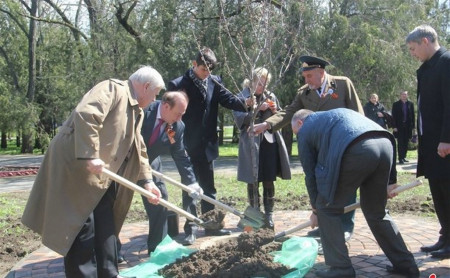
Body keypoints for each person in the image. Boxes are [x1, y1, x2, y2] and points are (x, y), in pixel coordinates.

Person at [21, 66, 165, 278]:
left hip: (101, 176)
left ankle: (109, 273)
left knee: (107, 227)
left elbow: (139, 148)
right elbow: (86, 114)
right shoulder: (112, 89)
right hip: (77, 170)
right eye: (155, 94)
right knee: (82, 228)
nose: (155, 100)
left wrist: (147, 181)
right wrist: (90, 155)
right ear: (145, 87)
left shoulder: (137, 111)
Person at [291, 108, 419, 278]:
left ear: (300, 122)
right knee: (376, 212)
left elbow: (310, 173)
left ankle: (341, 269)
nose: (298, 136)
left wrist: (316, 210)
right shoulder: (333, 116)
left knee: (327, 209)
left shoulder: (306, 128)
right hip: (385, 143)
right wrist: (390, 181)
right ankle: (406, 264)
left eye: (296, 133)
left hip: (357, 149)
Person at [252, 55, 364, 241]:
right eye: (305, 76)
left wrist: (359, 141)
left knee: (345, 187)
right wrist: (267, 125)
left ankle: (345, 227)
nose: (306, 80)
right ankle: (325, 226)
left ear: (322, 72)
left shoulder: (343, 85)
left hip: (342, 146)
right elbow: (289, 112)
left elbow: (358, 113)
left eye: (310, 76)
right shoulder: (304, 93)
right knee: (322, 187)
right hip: (320, 149)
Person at [167, 47, 252, 239]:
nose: (207, 74)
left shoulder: (215, 81)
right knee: (190, 188)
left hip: (207, 145)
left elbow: (227, 99)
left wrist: (245, 103)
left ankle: (211, 225)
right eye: (204, 69)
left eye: (210, 70)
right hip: (186, 145)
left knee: (208, 188)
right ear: (194, 64)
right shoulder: (178, 84)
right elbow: (169, 115)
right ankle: (191, 229)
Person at [406, 24, 450, 259]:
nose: (412, 53)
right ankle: (445, 236)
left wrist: (447, 139)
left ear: (425, 41)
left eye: (413, 48)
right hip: (430, 143)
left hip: (444, 144)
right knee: (438, 192)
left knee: (448, 191)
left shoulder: (446, 62)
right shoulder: (425, 69)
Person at [141, 91, 202, 248]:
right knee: (118, 207)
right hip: (125, 161)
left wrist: (192, 182)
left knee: (160, 201)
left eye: (182, 114)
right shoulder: (143, 111)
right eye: (178, 113)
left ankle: (156, 249)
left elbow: (180, 155)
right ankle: (114, 251)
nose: (179, 118)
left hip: (151, 163)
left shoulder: (177, 126)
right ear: (166, 106)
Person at [232, 67, 291, 229]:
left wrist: (274, 110)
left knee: (268, 178)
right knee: (252, 180)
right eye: (259, 83)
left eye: (264, 83)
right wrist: (258, 109)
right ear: (251, 81)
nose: (262, 86)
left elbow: (278, 118)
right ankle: (255, 214)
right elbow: (240, 120)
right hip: (251, 143)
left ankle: (269, 215)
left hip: (269, 143)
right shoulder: (242, 96)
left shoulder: (270, 95)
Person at [392, 91, 415, 164]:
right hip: (399, 127)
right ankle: (400, 158)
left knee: (406, 142)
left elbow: (413, 116)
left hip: (408, 127)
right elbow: (393, 116)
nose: (404, 96)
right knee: (400, 142)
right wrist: (394, 126)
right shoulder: (396, 104)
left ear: (407, 95)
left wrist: (413, 127)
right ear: (400, 95)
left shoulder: (410, 104)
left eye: (405, 94)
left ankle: (404, 157)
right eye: (402, 94)